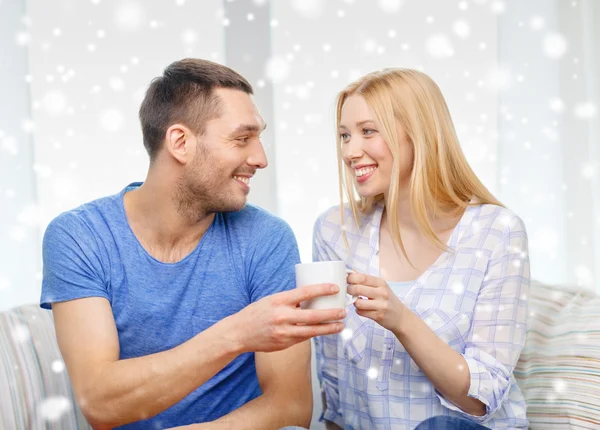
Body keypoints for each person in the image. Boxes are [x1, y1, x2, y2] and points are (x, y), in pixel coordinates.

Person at [40, 58, 346, 430]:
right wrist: (236, 334)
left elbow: (289, 407)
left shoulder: (267, 239)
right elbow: (101, 403)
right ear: (180, 142)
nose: (260, 158)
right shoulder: (80, 237)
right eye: (242, 138)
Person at [313, 68, 530, 429]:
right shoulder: (336, 230)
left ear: (419, 135)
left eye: (368, 131)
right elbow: (335, 377)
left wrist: (402, 321)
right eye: (344, 135)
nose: (351, 151)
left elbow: (481, 399)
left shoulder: (497, 232)